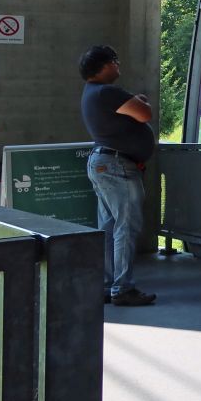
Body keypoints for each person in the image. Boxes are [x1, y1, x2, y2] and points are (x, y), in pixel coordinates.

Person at [78, 45, 156, 306]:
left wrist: (135, 101)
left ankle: (108, 283)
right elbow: (145, 113)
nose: (119, 66)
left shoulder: (93, 93)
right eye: (116, 61)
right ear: (105, 65)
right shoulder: (107, 92)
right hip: (117, 166)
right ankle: (122, 288)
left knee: (109, 227)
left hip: (104, 163)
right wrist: (139, 100)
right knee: (126, 226)